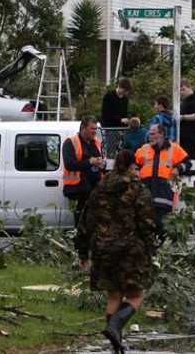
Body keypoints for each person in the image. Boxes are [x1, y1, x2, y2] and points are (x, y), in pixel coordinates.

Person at [79, 150, 157, 354]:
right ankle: (114, 326)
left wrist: (82, 252)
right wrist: (151, 248)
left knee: (114, 295)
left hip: (103, 249)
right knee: (137, 294)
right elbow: (146, 222)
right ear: (132, 166)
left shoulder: (99, 189)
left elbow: (86, 221)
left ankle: (116, 345)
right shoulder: (139, 190)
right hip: (131, 250)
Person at [62, 115, 106, 269]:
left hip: (95, 189)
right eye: (92, 129)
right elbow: (70, 163)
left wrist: (101, 163)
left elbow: (102, 162)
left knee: (96, 225)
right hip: (78, 189)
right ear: (83, 128)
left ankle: (93, 258)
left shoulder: (97, 143)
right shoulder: (71, 142)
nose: (94, 132)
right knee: (81, 225)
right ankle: (81, 258)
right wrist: (90, 162)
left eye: (96, 129)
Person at [134, 124, 191, 241]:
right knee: (144, 229)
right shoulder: (144, 149)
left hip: (163, 197)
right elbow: (134, 163)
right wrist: (135, 171)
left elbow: (187, 163)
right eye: (150, 134)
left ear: (162, 135)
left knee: (161, 228)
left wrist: (178, 169)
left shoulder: (174, 148)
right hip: (145, 197)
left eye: (153, 134)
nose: (150, 136)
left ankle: (159, 253)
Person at [179, 80, 195, 159]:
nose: (181, 92)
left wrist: (183, 117)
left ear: (190, 87)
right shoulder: (184, 101)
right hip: (182, 135)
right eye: (180, 90)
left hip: (191, 135)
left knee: (191, 158)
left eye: (183, 89)